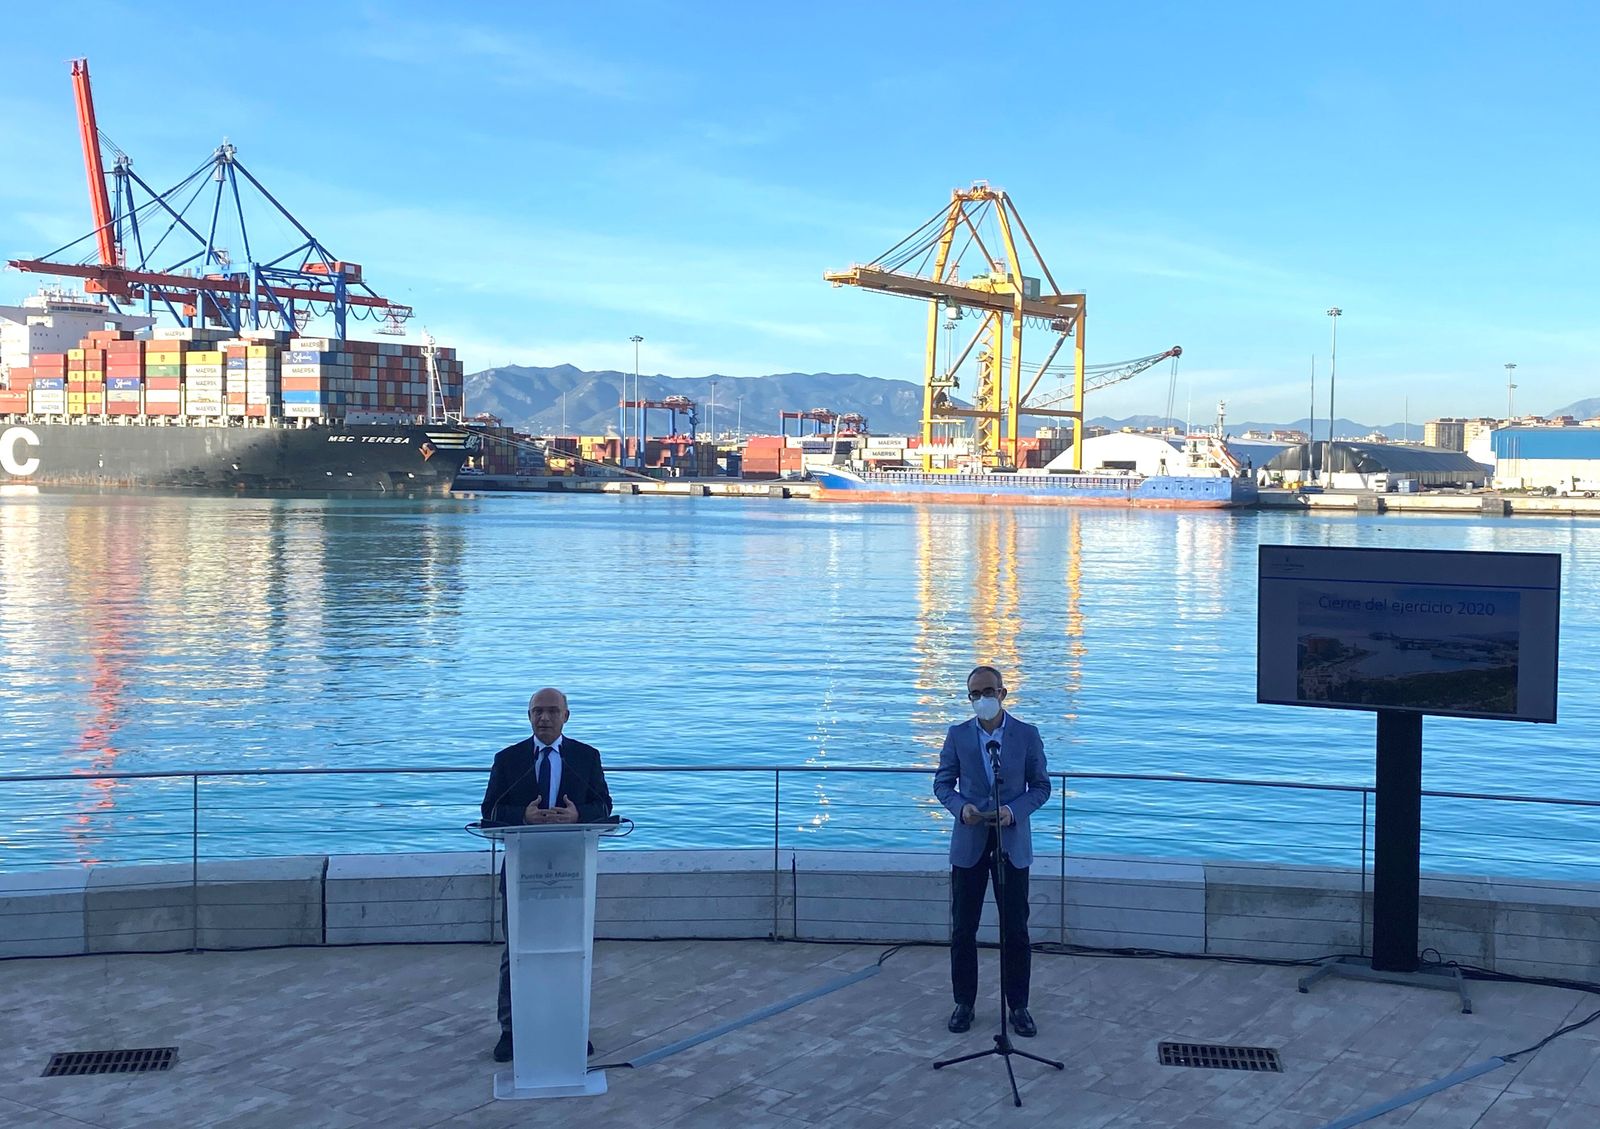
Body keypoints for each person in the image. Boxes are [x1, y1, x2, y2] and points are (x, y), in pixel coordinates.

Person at [480, 687, 613, 1063]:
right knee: (516, 952)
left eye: (552, 711)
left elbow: (604, 806)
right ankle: (511, 1031)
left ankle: (570, 1025)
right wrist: (523, 816)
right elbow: (490, 810)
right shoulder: (509, 759)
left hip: (572, 869)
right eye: (537, 711)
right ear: (528, 716)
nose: (544, 718)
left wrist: (578, 816)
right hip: (523, 868)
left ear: (566, 717)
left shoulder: (586, 757)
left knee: (570, 950)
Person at [933, 665, 1051, 1038]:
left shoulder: (1026, 735)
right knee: (963, 928)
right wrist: (960, 808)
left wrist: (1013, 811)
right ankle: (963, 1003)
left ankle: (1018, 1006)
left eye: (988, 691)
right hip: (969, 844)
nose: (981, 699)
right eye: (974, 694)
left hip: (1011, 844)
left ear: (1002, 692)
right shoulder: (956, 736)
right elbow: (942, 783)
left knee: (1015, 929)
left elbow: (1041, 787)